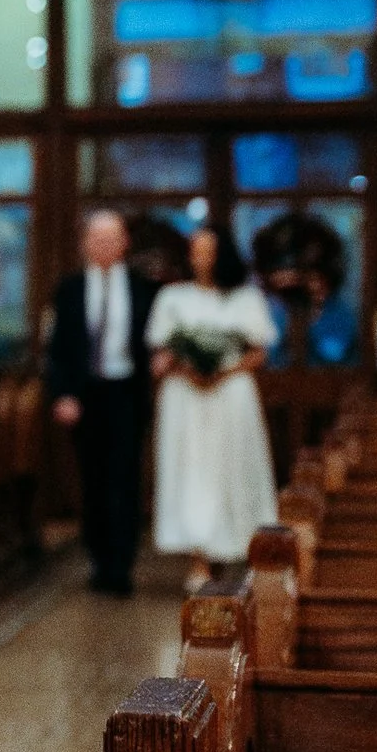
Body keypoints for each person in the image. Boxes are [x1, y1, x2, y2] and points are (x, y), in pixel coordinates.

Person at [148, 226, 278, 588]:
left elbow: (259, 351)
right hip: (187, 396)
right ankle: (199, 557)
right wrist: (188, 366)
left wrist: (223, 370)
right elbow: (162, 350)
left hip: (230, 394)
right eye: (195, 249)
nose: (199, 256)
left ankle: (231, 549)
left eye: (207, 249)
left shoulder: (245, 298)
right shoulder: (173, 296)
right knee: (192, 469)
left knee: (229, 468)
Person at [45, 211, 158, 595]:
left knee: (124, 477)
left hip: (125, 391)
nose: (103, 246)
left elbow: (154, 343)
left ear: (124, 243)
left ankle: (121, 564)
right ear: (85, 244)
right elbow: (57, 349)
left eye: (111, 239)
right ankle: (98, 559)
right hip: (85, 393)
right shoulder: (70, 289)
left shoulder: (144, 288)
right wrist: (63, 394)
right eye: (96, 239)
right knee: (92, 480)